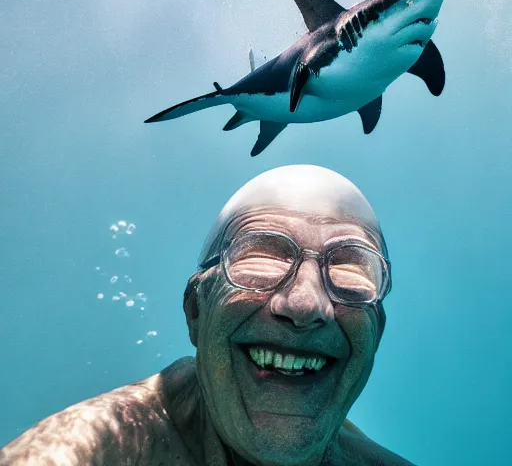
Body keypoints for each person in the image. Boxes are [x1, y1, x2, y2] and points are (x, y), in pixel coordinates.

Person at [0, 165, 414, 466]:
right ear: (196, 310)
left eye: (349, 270)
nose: (306, 306)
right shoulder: (86, 451)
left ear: (376, 335)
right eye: (263, 256)